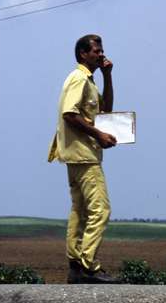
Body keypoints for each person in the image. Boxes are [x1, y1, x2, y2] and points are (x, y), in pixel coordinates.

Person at [48, 34, 119, 284]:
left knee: (80, 211)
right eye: (96, 51)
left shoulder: (89, 81)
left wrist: (107, 76)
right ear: (83, 54)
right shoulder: (78, 78)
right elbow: (70, 114)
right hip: (84, 155)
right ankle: (89, 266)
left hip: (77, 155)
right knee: (101, 209)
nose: (101, 54)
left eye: (101, 50)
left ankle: (75, 266)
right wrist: (98, 133)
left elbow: (106, 111)